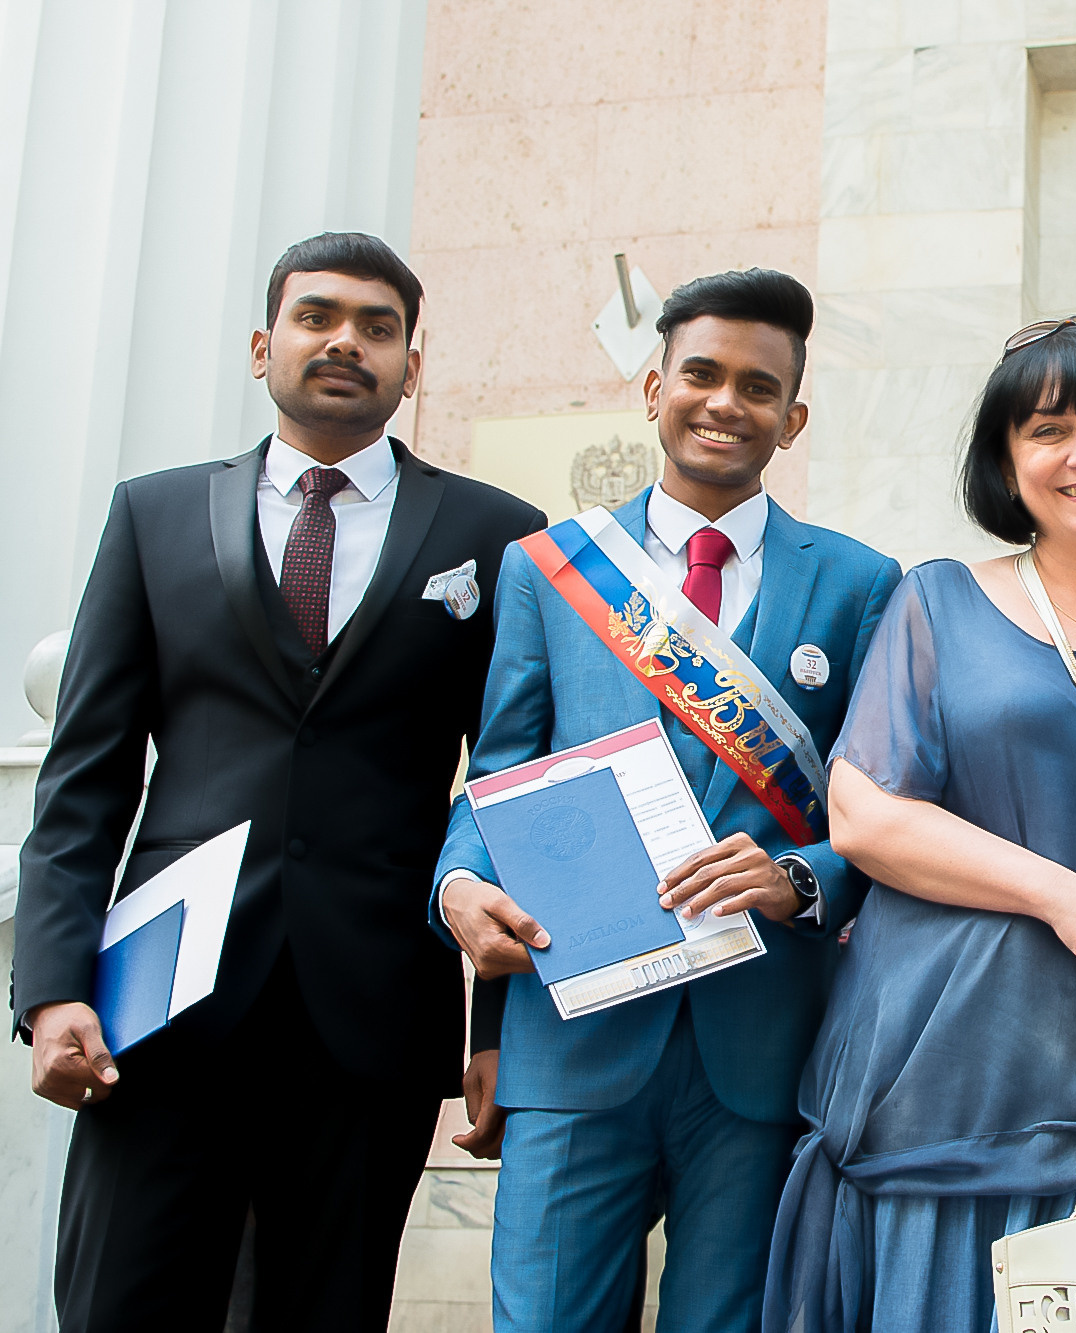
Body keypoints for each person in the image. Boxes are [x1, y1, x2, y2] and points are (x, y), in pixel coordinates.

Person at [12, 232, 545, 1329]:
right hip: (159, 1004)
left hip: (371, 1010)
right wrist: (53, 984)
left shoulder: (496, 534)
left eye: (377, 327)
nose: (346, 341)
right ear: (264, 348)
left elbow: (508, 785)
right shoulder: (154, 515)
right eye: (317, 317)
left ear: (411, 365)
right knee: (121, 1302)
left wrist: (496, 1025)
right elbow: (85, 779)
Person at [763, 316, 1076, 1333]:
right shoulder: (936, 602)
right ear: (1007, 462)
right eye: (1047, 430)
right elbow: (864, 813)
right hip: (948, 1072)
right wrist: (1061, 895)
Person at [432, 268, 901, 1333]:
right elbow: (497, 777)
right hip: (573, 1030)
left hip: (761, 1040)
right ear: (654, 389)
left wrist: (801, 876)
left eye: (758, 386)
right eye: (701, 374)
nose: (725, 402)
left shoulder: (861, 584)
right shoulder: (548, 571)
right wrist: (459, 881)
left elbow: (883, 810)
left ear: (793, 418)